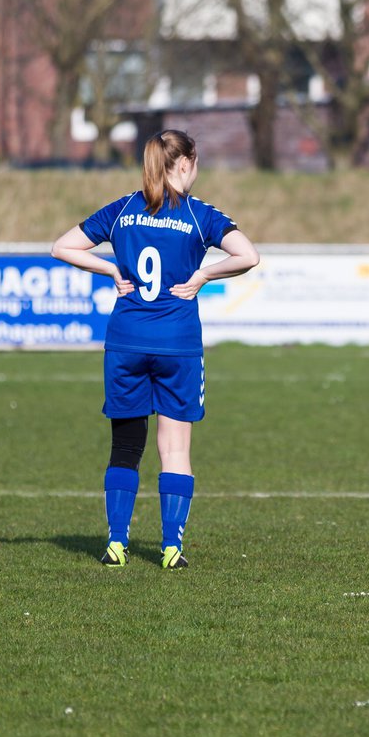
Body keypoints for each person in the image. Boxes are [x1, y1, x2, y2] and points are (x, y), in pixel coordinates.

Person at [51, 130, 260, 569]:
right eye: (196, 164)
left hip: (126, 340)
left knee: (126, 447)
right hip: (177, 345)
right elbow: (248, 256)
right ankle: (170, 548)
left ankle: (116, 544)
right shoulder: (199, 215)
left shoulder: (123, 208)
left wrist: (109, 267)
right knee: (176, 449)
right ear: (184, 164)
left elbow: (62, 246)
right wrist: (204, 276)